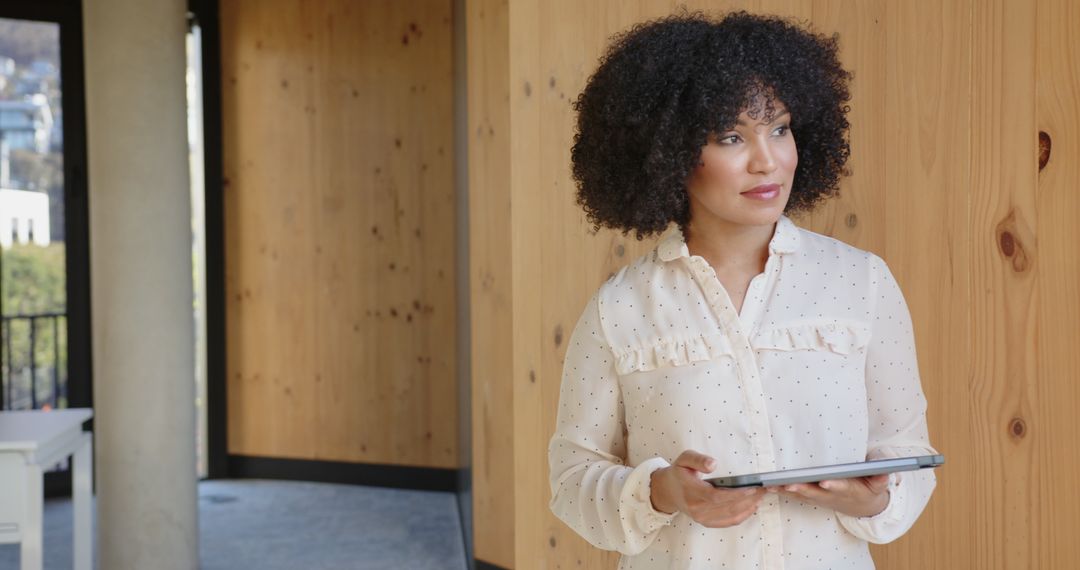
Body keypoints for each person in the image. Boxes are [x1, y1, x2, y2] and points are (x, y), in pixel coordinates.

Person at [548, 11, 938, 570]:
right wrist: (662, 491)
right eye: (732, 137)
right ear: (669, 154)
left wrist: (874, 498)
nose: (768, 160)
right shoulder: (620, 309)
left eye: (779, 128)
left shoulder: (862, 283)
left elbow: (908, 451)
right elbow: (572, 480)